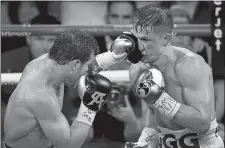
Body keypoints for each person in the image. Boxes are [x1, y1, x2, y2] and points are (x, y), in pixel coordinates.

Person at [3, 28, 141, 148]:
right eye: (86, 66)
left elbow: (84, 64)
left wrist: (113, 56)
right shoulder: (40, 96)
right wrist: (90, 107)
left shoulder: (51, 61)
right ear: (75, 65)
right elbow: (69, 145)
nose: (89, 70)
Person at [124, 5, 224, 148]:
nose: (139, 47)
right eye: (137, 39)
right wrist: (145, 142)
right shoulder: (139, 69)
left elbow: (202, 123)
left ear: (165, 39)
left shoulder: (190, 65)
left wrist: (159, 99)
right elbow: (154, 115)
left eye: (145, 40)